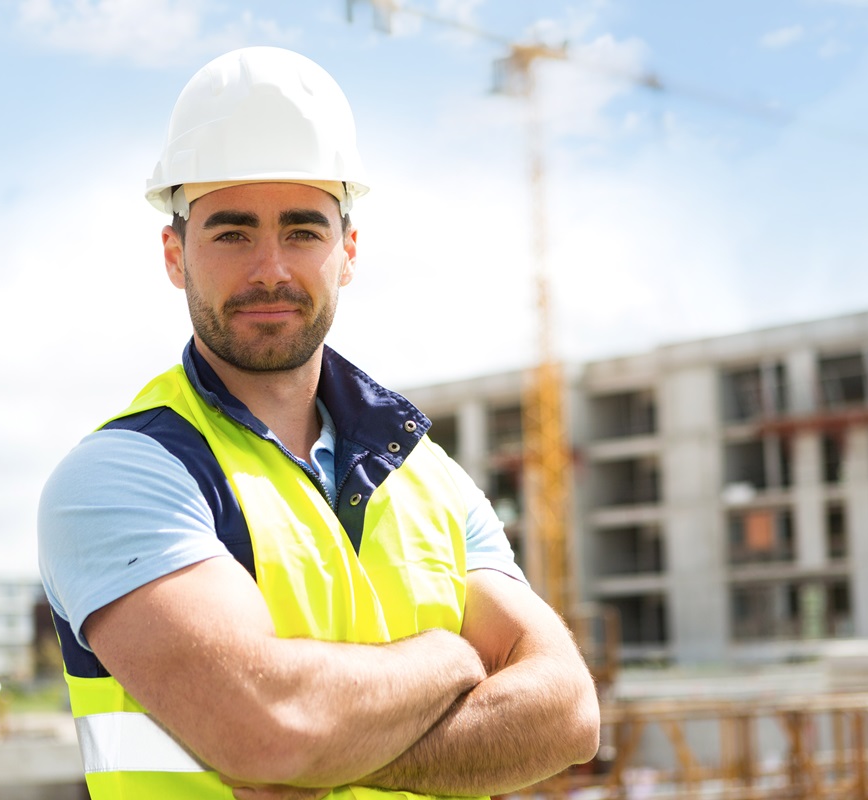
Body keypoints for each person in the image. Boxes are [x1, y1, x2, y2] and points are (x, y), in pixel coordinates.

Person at [37, 46, 600, 800]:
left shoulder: (430, 475)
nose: (270, 268)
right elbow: (273, 731)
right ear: (175, 254)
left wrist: (319, 750)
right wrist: (450, 658)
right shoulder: (121, 475)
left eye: (302, 231)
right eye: (232, 234)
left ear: (348, 253)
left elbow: (568, 714)